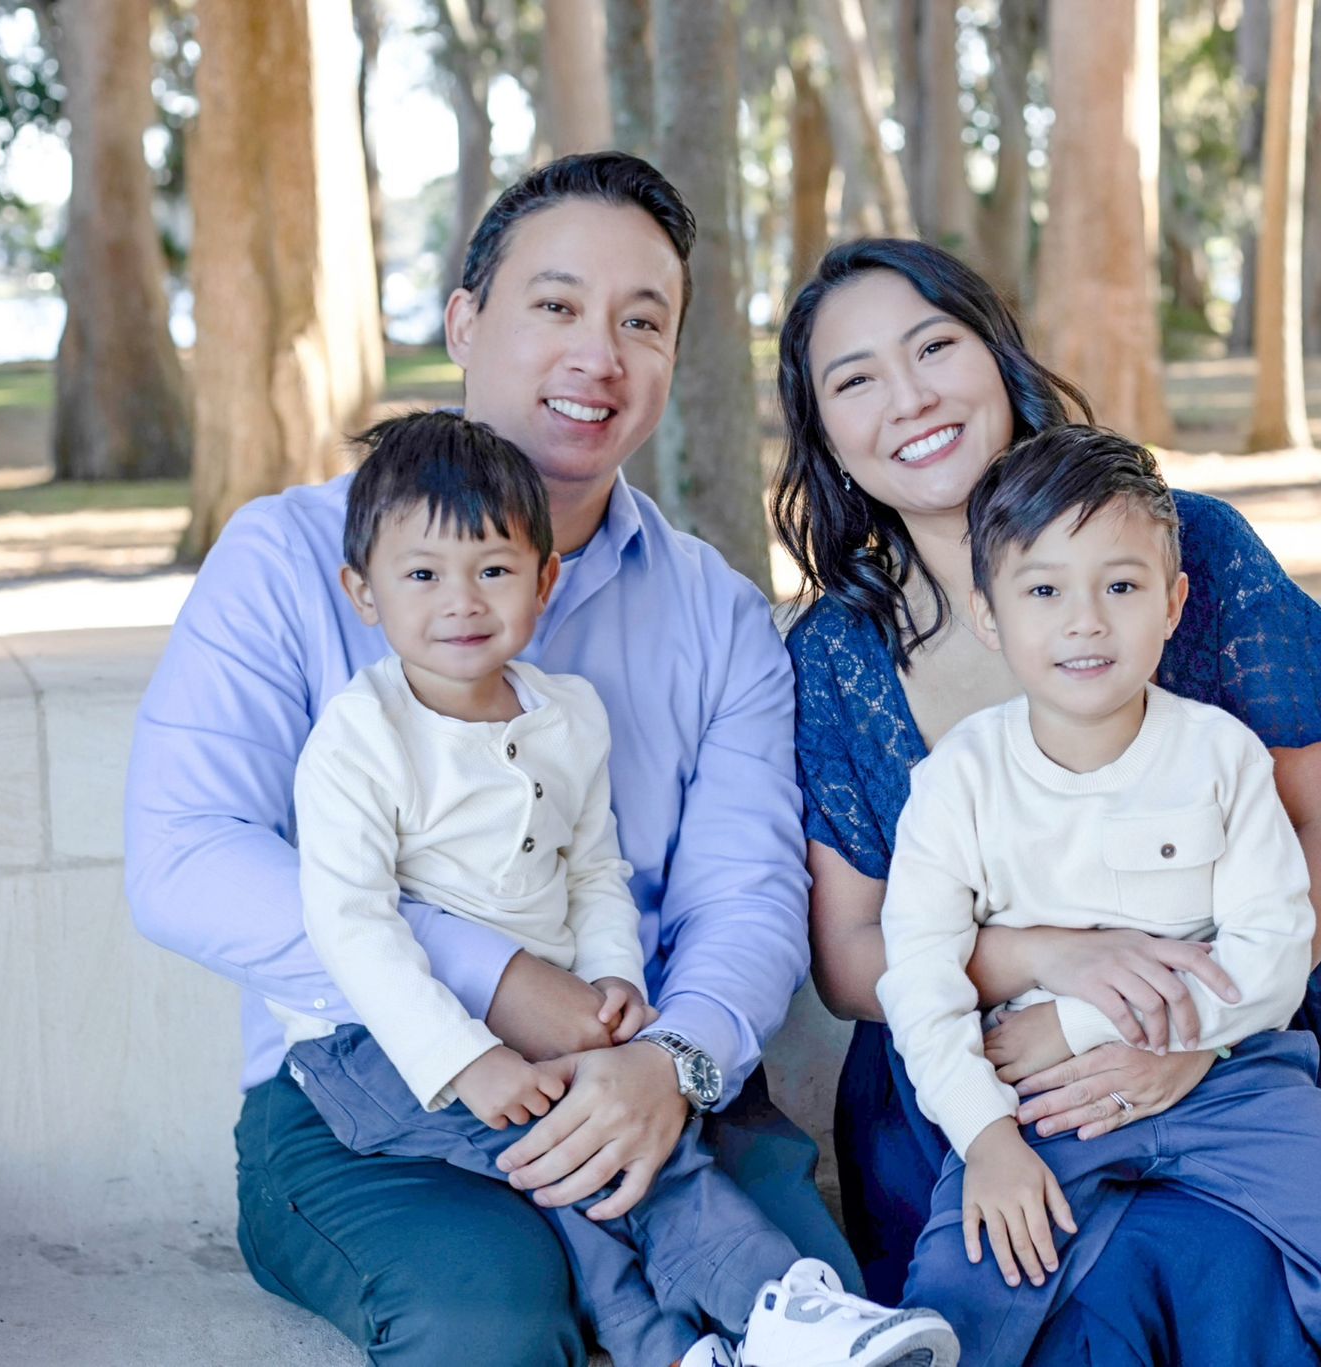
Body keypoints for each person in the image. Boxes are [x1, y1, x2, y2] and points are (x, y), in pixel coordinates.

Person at [772, 237, 1321, 1366]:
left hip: (1229, 1041)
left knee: (1282, 1275)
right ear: (825, 432)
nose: (910, 396)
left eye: (936, 345)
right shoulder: (839, 649)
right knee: (1069, 1287)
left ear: (999, 354)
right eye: (856, 378)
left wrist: (1186, 1042)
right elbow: (848, 958)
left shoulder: (1193, 547)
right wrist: (1057, 959)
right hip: (980, 1081)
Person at [125, 153, 861, 1367]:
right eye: (557, 306)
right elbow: (184, 858)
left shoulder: (715, 612)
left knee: (808, 1309)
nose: (598, 356)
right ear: (466, 322)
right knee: (494, 1321)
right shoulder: (289, 557)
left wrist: (665, 1061)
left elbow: (750, 889)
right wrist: (498, 979)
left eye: (643, 321)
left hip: (654, 1085)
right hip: (364, 1094)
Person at [269, 409, 955, 1367]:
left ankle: (673, 1352)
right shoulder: (359, 735)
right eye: (421, 574)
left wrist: (613, 977)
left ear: (544, 581)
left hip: (545, 1029)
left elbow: (594, 868)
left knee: (581, 1181)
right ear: (364, 592)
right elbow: (348, 924)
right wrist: (465, 1060)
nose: (460, 601)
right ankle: (784, 1306)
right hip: (377, 1045)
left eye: (494, 570)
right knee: (620, 1156)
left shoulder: (566, 716)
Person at [875, 425, 1321, 1364]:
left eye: (1122, 585)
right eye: (1044, 590)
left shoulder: (1219, 752)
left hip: (1234, 1081)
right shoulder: (956, 782)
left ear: (1175, 601)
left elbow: (1271, 949)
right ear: (990, 614)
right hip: (1042, 1101)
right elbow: (920, 981)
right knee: (959, 1302)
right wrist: (986, 1139)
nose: (1086, 621)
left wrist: (1097, 1028)